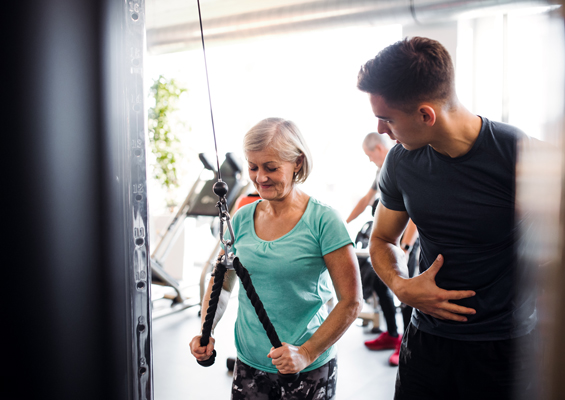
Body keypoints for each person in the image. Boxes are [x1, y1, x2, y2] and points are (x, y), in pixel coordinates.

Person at [357, 37, 537, 399]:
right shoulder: (400, 162)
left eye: (387, 119)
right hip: (427, 343)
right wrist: (400, 285)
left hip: (506, 346)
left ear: (426, 115)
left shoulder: (518, 155)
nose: (380, 130)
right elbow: (382, 240)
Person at [189, 117, 362, 400]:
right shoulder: (243, 217)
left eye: (271, 167)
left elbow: (351, 302)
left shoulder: (324, 220)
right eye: (253, 167)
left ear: (297, 163)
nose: (260, 177)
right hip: (249, 361)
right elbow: (224, 282)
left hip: (306, 366)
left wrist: (306, 353)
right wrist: (205, 330)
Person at [347, 132, 419, 366]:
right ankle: (392, 334)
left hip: (408, 240)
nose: (369, 160)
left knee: (407, 290)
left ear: (378, 148)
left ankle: (406, 344)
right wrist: (343, 223)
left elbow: (414, 214)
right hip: (391, 240)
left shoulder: (405, 163)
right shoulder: (384, 170)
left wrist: (406, 247)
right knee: (379, 280)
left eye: (369, 155)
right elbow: (367, 199)